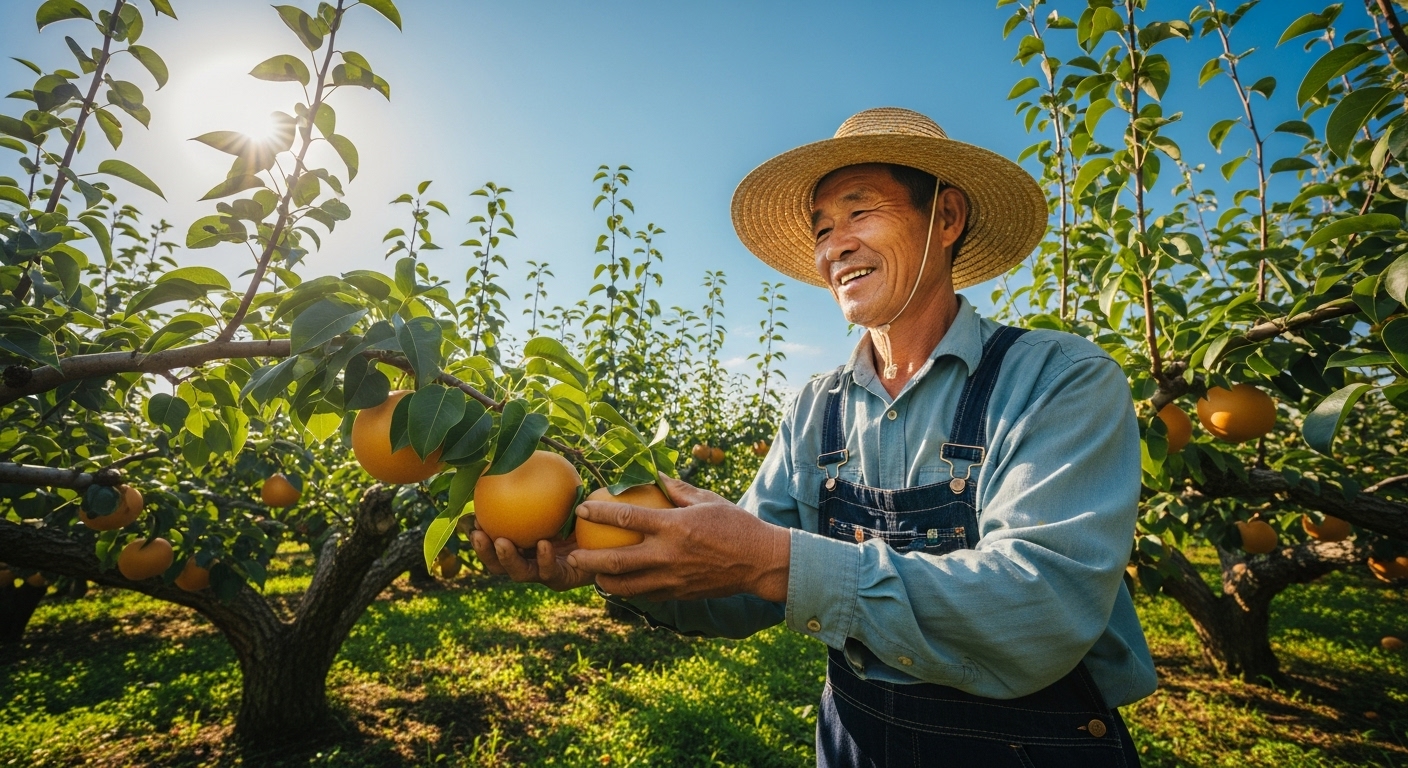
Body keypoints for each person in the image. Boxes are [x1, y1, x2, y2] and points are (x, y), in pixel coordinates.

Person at [471, 107, 1156, 766]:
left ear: (946, 217)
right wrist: (611, 566)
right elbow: (736, 586)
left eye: (860, 212)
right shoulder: (814, 409)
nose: (835, 246)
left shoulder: (1059, 381)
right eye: (822, 228)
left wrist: (778, 561)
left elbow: (1038, 607)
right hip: (857, 740)